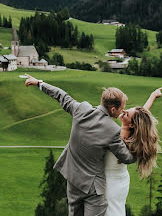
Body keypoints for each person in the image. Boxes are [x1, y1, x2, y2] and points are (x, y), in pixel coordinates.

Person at [24, 74, 136, 216]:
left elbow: (60, 95)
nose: (123, 111)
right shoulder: (112, 130)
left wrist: (39, 83)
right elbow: (127, 158)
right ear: (113, 109)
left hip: (73, 179)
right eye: (122, 108)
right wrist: (141, 151)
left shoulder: (81, 109)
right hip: (94, 188)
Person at [104, 87, 162, 216]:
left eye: (127, 113)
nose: (123, 111)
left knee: (111, 212)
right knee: (117, 209)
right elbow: (141, 115)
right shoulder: (133, 132)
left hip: (110, 181)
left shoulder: (119, 137)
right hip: (121, 178)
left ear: (131, 124)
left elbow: (139, 117)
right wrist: (153, 95)